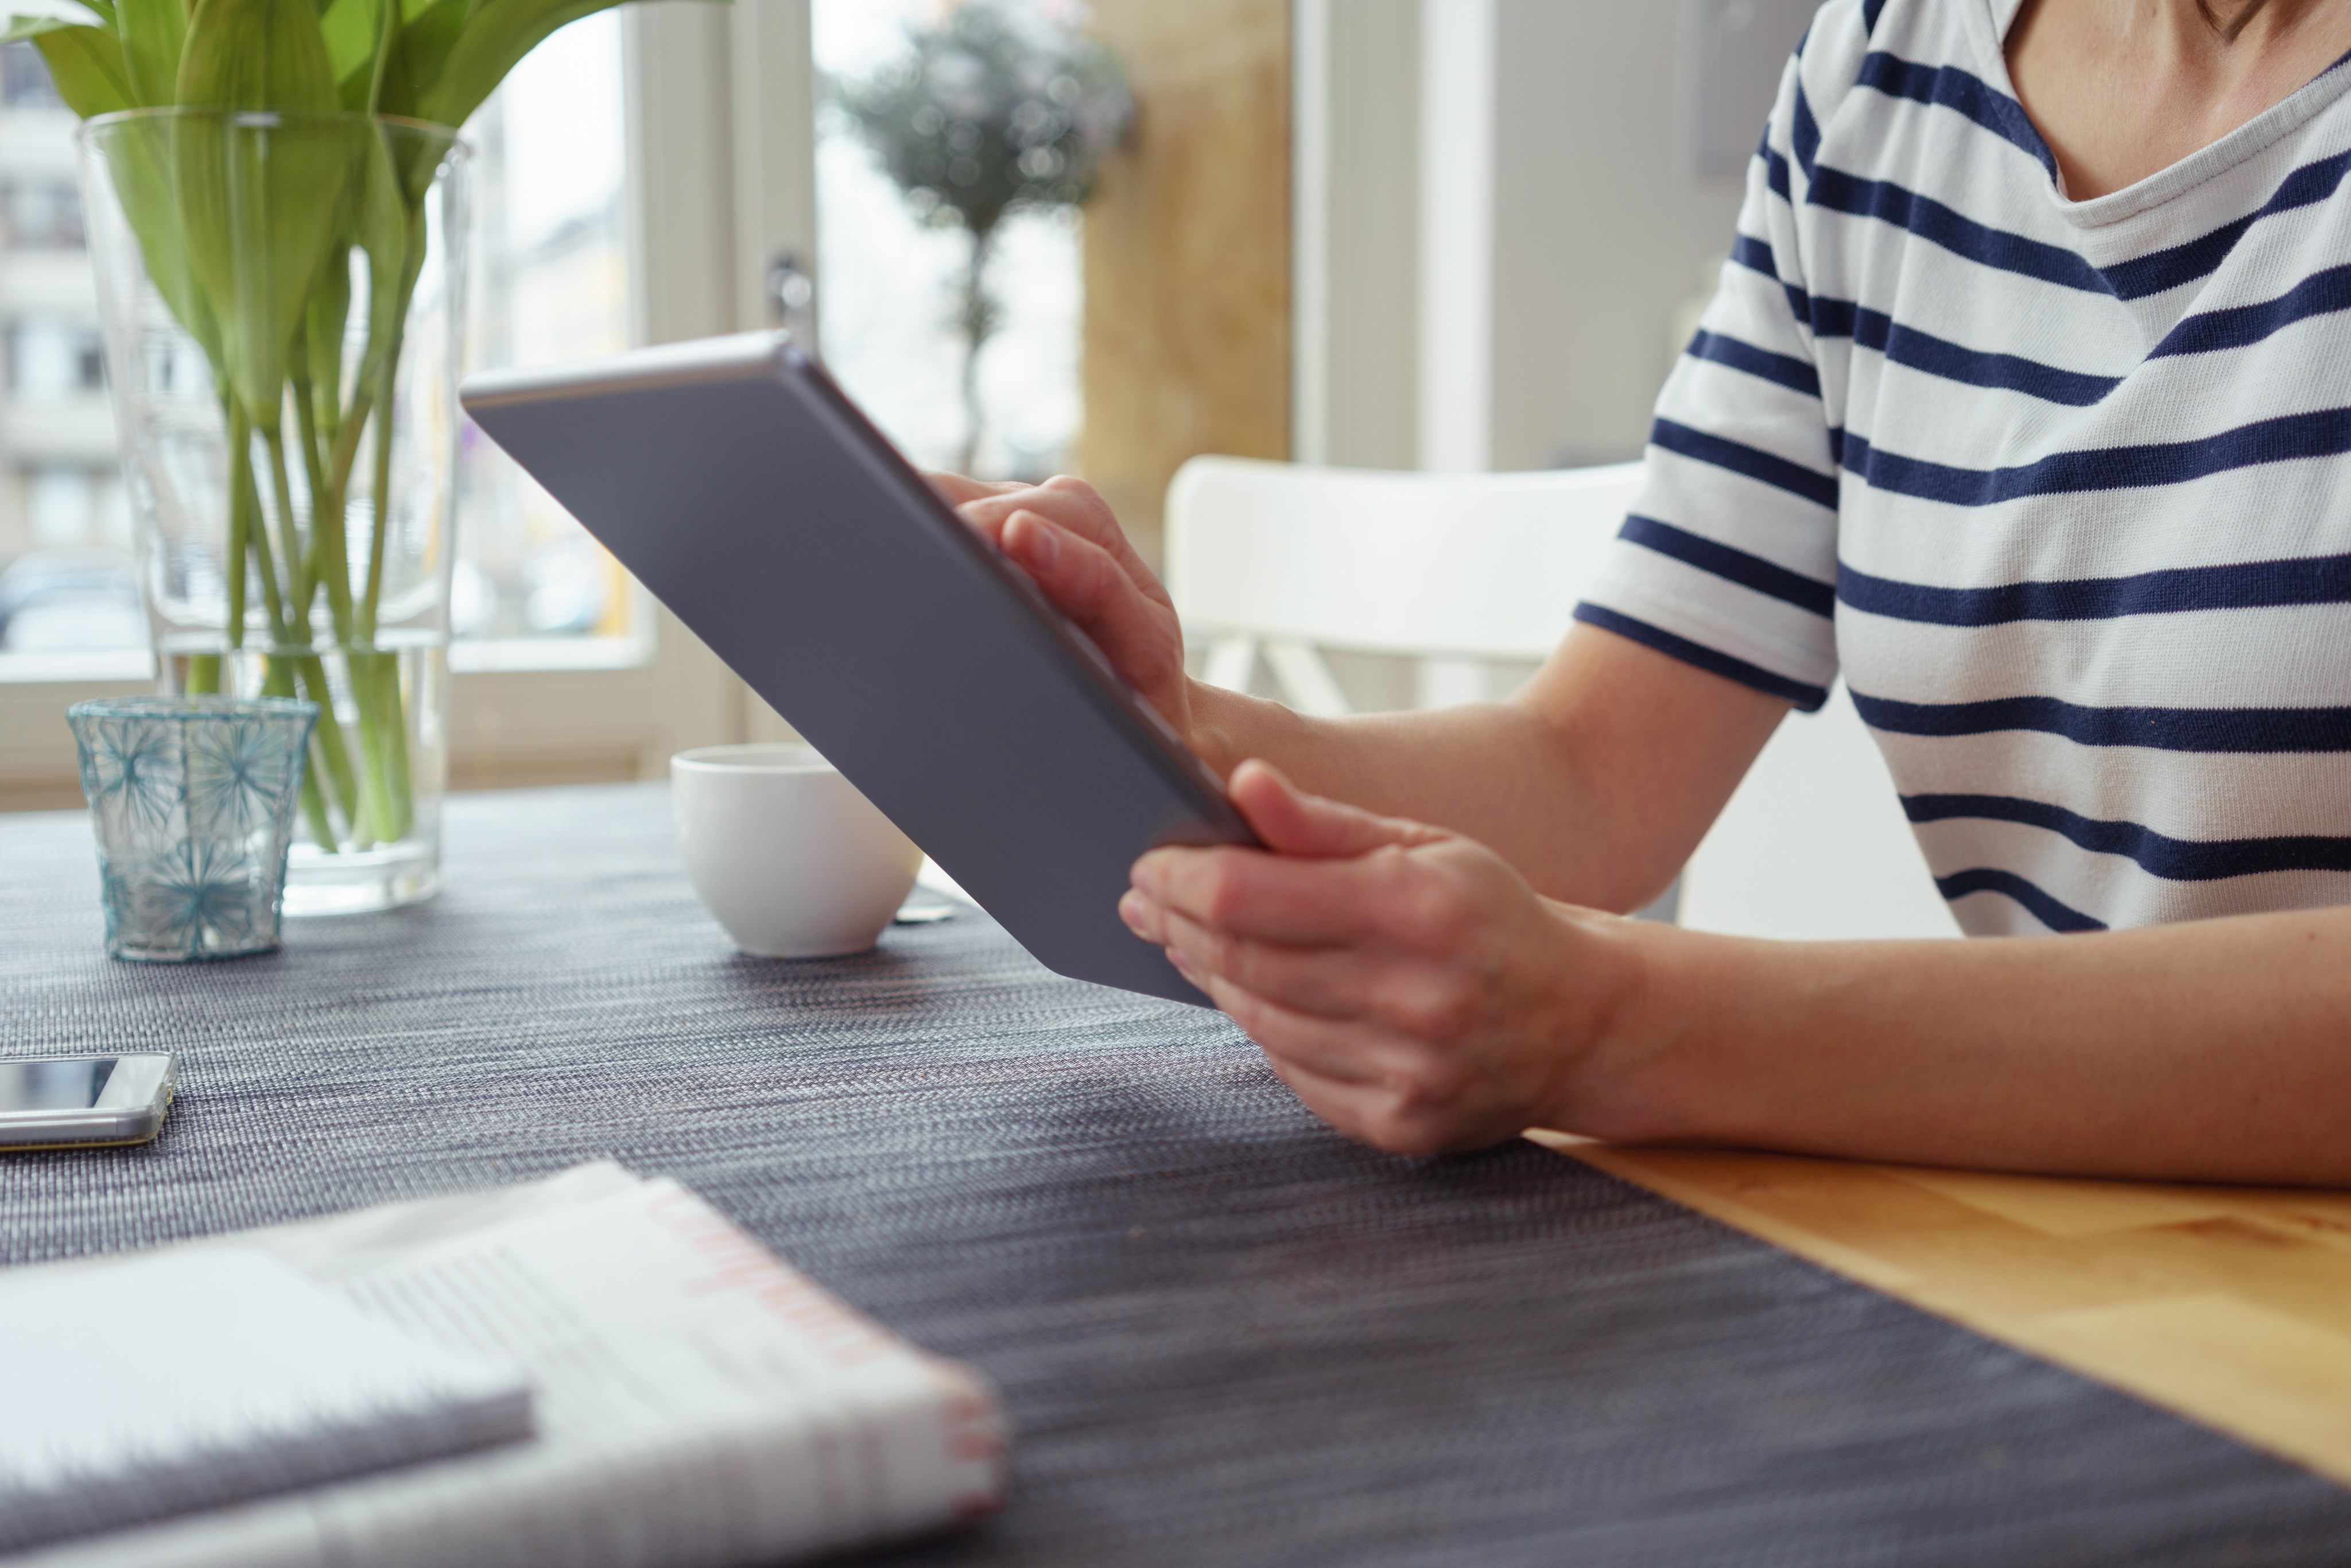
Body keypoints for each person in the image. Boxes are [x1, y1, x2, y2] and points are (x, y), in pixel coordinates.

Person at [938, 0, 2351, 1183]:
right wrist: (1164, 727)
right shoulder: (1877, 76)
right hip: (2076, 1249)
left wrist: (1625, 1024)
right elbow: (1589, 775)